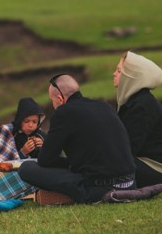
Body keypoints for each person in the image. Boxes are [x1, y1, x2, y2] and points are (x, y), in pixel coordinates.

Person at [19, 74, 136, 203]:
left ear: (59, 99)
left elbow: (45, 160)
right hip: (130, 183)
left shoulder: (63, 113)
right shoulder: (103, 106)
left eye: (52, 100)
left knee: (27, 168)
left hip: (99, 188)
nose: (53, 104)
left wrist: (68, 164)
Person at [114, 51, 162, 187]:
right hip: (146, 161)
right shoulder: (134, 101)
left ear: (131, 76)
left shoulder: (142, 105)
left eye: (119, 70)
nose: (114, 73)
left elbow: (128, 148)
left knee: (108, 165)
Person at [0, 97, 46, 196]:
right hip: (15, 173)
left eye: (34, 122)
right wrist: (23, 152)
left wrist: (44, 146)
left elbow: (49, 156)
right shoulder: (11, 134)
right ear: (20, 120)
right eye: (27, 121)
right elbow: (2, 159)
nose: (31, 125)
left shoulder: (40, 135)